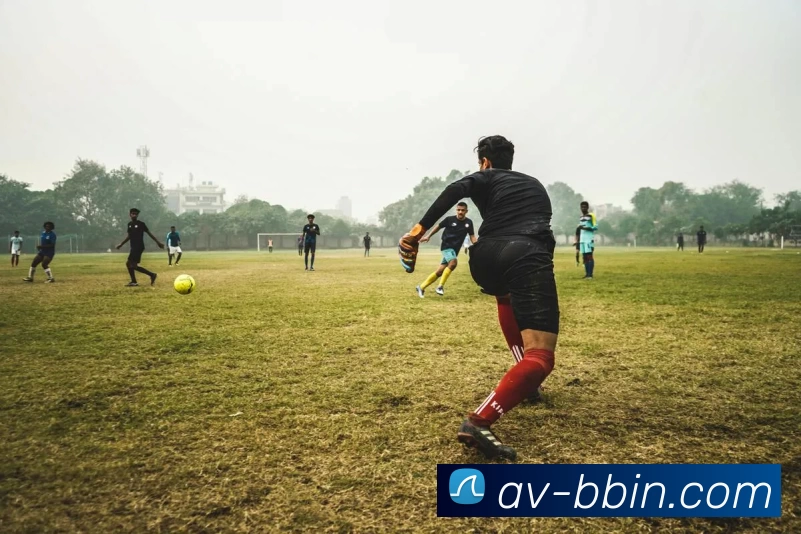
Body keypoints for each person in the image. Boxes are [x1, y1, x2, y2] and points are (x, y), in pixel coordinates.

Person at [398, 135, 558, 460]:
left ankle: (524, 382)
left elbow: (455, 189)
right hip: (525, 252)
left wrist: (416, 231)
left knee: (505, 298)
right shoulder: (534, 185)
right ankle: (479, 421)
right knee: (540, 357)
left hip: (484, 257)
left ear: (484, 162)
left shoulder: (485, 177)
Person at [415, 202, 476, 297]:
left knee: (439, 272)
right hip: (446, 247)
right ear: (456, 210)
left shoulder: (469, 223)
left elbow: (472, 236)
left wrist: (476, 245)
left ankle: (421, 287)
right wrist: (428, 236)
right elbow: (438, 227)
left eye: (462, 210)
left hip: (454, 250)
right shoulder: (449, 220)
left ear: (466, 211)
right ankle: (440, 286)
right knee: (453, 263)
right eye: (458, 210)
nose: (460, 212)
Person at [116, 208, 165, 287]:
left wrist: (158, 242)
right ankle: (144, 277)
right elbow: (129, 236)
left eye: (136, 214)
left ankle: (146, 277)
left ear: (137, 215)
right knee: (130, 264)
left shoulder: (141, 224)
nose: (134, 215)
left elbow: (149, 233)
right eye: (133, 213)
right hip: (133, 246)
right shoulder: (129, 224)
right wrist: (121, 244)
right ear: (130, 214)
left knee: (132, 264)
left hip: (138, 246)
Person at [577, 202, 597, 279]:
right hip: (582, 240)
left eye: (585, 207)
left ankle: (590, 274)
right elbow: (580, 230)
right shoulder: (581, 217)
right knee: (584, 257)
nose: (583, 209)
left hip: (589, 239)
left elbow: (595, 227)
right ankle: (586, 274)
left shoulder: (591, 216)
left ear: (587, 207)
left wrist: (585, 228)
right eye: (582, 207)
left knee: (589, 256)